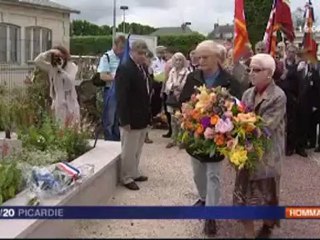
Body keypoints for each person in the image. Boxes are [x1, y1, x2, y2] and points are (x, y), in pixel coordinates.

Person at [179, 40, 241, 237]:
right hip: (196, 136)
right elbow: (182, 103)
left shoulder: (231, 81)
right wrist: (189, 115)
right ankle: (204, 198)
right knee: (198, 173)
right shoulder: (193, 78)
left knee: (213, 175)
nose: (200, 60)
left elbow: (238, 108)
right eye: (198, 57)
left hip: (219, 137)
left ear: (217, 58)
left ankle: (211, 216)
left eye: (205, 57)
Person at [233, 53, 286, 238]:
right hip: (246, 153)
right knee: (244, 195)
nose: (252, 73)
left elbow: (267, 126)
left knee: (267, 196)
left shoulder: (278, 96)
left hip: (268, 155)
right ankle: (248, 233)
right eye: (250, 70)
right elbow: (238, 118)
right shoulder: (247, 93)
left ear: (269, 74)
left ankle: (267, 225)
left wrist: (241, 125)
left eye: (257, 70)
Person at [115, 40, 150, 191]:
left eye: (144, 53)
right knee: (129, 149)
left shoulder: (140, 68)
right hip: (130, 117)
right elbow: (121, 96)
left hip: (141, 116)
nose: (143, 56)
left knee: (137, 148)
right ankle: (126, 177)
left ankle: (134, 172)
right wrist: (124, 119)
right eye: (140, 53)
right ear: (132, 52)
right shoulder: (125, 68)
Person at [34, 46, 80, 125]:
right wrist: (48, 52)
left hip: (71, 100)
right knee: (60, 126)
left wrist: (61, 70)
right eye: (55, 57)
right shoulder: (52, 68)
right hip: (59, 100)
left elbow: (70, 80)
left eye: (60, 56)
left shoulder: (72, 66)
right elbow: (37, 61)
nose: (58, 59)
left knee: (73, 125)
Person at [97, 35, 126, 141]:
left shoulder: (124, 57)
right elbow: (103, 76)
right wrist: (115, 77)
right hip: (110, 91)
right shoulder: (107, 57)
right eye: (120, 47)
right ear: (114, 45)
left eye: (124, 48)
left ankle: (117, 139)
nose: (122, 50)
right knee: (109, 118)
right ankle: (109, 139)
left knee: (118, 117)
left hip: (121, 91)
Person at [276, 44, 300, 156]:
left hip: (293, 97)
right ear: (286, 52)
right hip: (281, 96)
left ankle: (290, 147)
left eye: (293, 52)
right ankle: (279, 145)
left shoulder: (298, 65)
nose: (291, 54)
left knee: (292, 122)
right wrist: (282, 76)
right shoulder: (281, 64)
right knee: (280, 121)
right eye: (289, 51)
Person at [164, 52, 189, 148]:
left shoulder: (187, 72)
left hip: (182, 98)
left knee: (181, 120)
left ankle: (181, 140)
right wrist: (172, 86)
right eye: (176, 60)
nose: (178, 62)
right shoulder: (172, 71)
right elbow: (168, 83)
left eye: (180, 60)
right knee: (173, 120)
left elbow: (185, 84)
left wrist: (177, 87)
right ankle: (173, 139)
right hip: (172, 98)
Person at [161, 47, 175, 138]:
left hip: (169, 89)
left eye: (166, 53)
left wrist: (162, 90)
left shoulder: (169, 63)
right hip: (173, 90)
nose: (165, 55)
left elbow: (165, 78)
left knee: (168, 111)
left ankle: (171, 131)